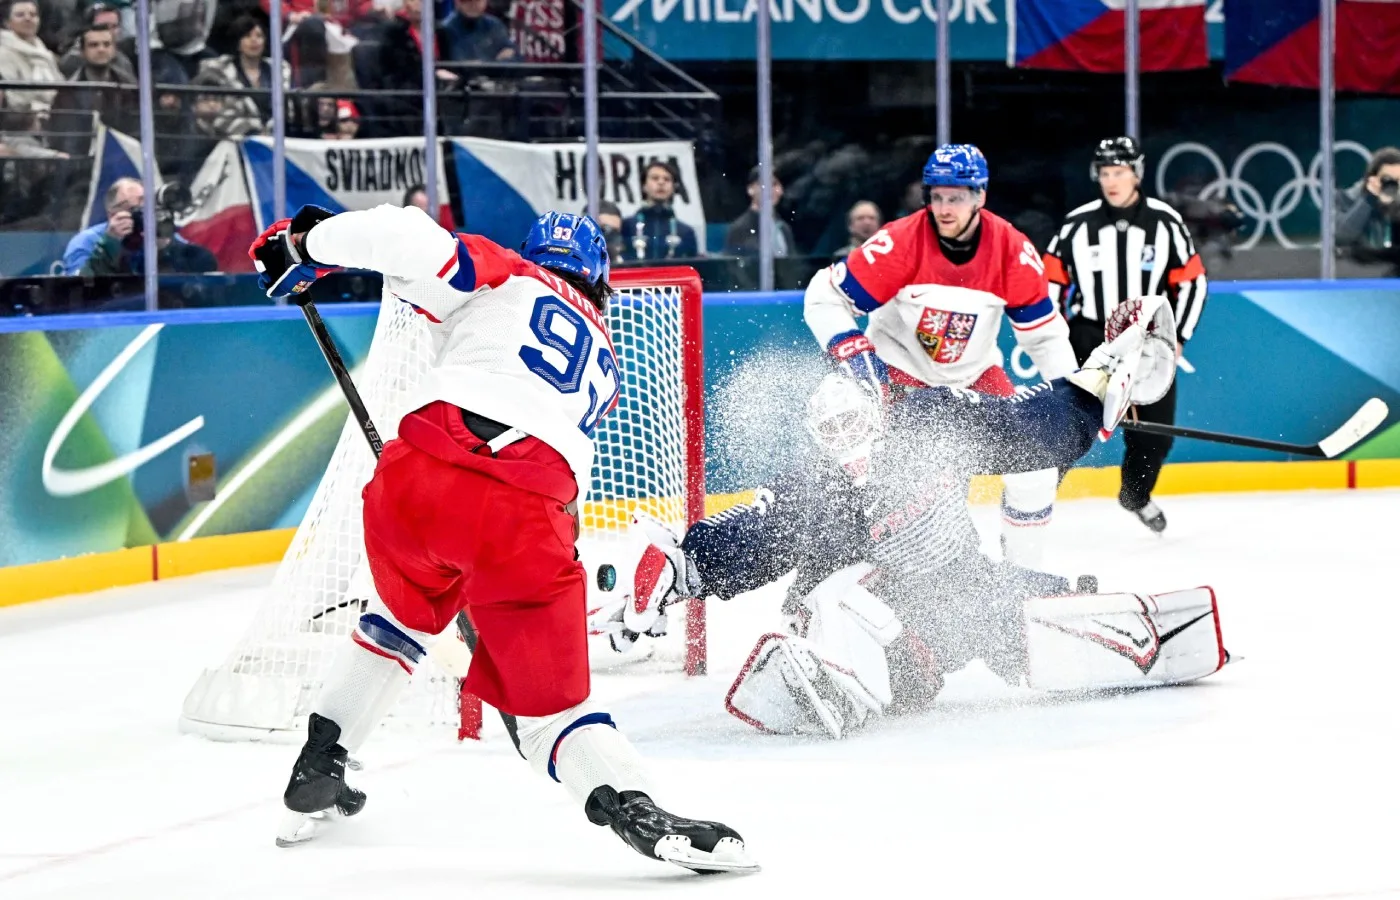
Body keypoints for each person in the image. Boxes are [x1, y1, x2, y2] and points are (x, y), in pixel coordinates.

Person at [248, 203, 756, 873]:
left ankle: (322, 757)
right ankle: (637, 811)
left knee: (399, 618)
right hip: (521, 512)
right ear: (599, 279)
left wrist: (309, 243)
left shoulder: (503, 271)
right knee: (550, 710)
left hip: (411, 481)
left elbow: (404, 236)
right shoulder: (604, 358)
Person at [598, 299, 1221, 739]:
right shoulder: (814, 488)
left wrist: (1097, 385)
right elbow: (751, 536)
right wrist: (681, 565)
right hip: (857, 620)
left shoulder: (931, 424)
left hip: (953, 598)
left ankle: (1127, 640)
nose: (846, 441)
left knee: (1029, 617)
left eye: (853, 423)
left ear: (878, 413)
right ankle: (829, 674)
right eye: (831, 432)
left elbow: (1026, 430)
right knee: (848, 591)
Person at [802, 143, 1079, 569]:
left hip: (973, 378)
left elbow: (1044, 338)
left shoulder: (1012, 251)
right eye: (937, 197)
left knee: (1036, 469)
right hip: (898, 377)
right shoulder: (899, 242)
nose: (945, 209)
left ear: (980, 196)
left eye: (957, 197)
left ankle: (1023, 576)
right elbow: (823, 297)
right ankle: (852, 576)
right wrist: (858, 357)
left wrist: (1074, 398)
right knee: (888, 487)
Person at [1043, 136, 1208, 533]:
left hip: (1148, 342)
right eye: (1104, 173)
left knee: (1155, 436)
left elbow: (1192, 282)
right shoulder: (1077, 223)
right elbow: (1049, 280)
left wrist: (1178, 336)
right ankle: (1032, 502)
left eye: (1119, 172)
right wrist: (1056, 338)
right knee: (1066, 427)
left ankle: (1135, 494)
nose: (1111, 181)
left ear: (1136, 173)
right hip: (1090, 339)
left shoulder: (1165, 221)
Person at [194, 15, 291, 135]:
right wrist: (251, 132)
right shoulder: (218, 70)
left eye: (259, 36)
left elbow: (286, 108)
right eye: (247, 36)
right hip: (233, 136)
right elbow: (218, 113)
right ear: (238, 41)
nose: (254, 40)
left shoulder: (280, 68)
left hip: (276, 136)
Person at [49, 23, 137, 155]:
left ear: (114, 50)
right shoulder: (67, 92)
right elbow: (62, 139)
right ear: (82, 52)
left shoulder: (129, 87)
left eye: (106, 44)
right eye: (93, 45)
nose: (101, 49)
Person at [1335, 146, 1400, 270]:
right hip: (1357, 271)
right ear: (1372, 179)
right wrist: (1368, 199)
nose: (1392, 185)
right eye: (1387, 179)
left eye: (1398, 180)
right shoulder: (1349, 198)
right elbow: (1342, 237)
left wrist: (1395, 206)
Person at [619, 160, 697, 261]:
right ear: (644, 186)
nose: (661, 182)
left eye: (667, 179)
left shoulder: (685, 231)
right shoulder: (626, 226)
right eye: (655, 178)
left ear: (674, 187)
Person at [0, 0, 61, 114]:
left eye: (33, 15)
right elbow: (13, 97)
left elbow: (61, 88)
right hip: (20, 118)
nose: (28, 18)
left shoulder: (45, 53)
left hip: (56, 115)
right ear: (7, 23)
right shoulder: (3, 53)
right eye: (20, 15)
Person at [724, 165, 797, 258]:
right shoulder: (739, 229)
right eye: (766, 184)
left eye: (775, 185)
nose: (773, 190)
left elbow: (793, 264)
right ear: (750, 189)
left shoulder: (784, 229)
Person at [58, 2, 134, 79]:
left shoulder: (124, 61)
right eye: (103, 26)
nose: (109, 31)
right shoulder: (72, 61)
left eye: (114, 26)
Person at [439, 0, 515, 62]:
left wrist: (485, 63)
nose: (473, 5)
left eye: (478, 0)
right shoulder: (446, 30)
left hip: (497, 76)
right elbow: (460, 65)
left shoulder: (494, 25)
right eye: (468, 1)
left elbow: (514, 57)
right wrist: (495, 61)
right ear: (457, 2)